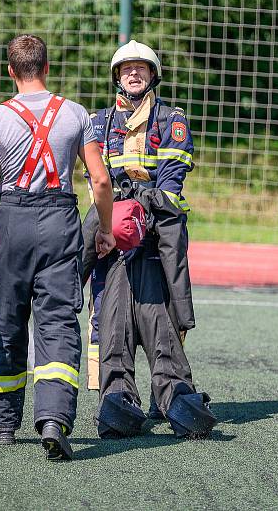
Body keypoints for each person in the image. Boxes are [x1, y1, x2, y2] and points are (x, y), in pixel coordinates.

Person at [0, 34, 115, 461]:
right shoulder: (76, 114)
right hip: (60, 223)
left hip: (12, 223)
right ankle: (54, 420)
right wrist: (105, 230)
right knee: (57, 320)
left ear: (10, 71)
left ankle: (2, 424)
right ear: (47, 68)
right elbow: (101, 181)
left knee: (6, 317)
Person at [81, 40, 215, 439]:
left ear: (153, 74)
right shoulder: (99, 121)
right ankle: (118, 397)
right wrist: (117, 214)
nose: (133, 74)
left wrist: (143, 206)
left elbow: (172, 179)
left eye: (141, 68)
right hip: (115, 239)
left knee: (161, 319)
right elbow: (96, 177)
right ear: (116, 77)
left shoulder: (171, 118)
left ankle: (173, 394)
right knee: (114, 317)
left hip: (156, 237)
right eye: (126, 69)